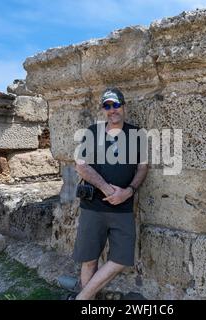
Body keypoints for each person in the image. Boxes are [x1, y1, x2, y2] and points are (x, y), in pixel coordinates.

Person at [73, 87, 148, 300]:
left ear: (123, 107)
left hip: (123, 208)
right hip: (93, 206)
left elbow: (142, 168)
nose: (112, 110)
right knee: (89, 260)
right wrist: (107, 189)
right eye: (107, 106)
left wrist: (128, 192)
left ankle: (81, 298)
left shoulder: (136, 134)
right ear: (103, 110)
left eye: (115, 105)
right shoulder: (92, 132)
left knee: (121, 259)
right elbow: (81, 166)